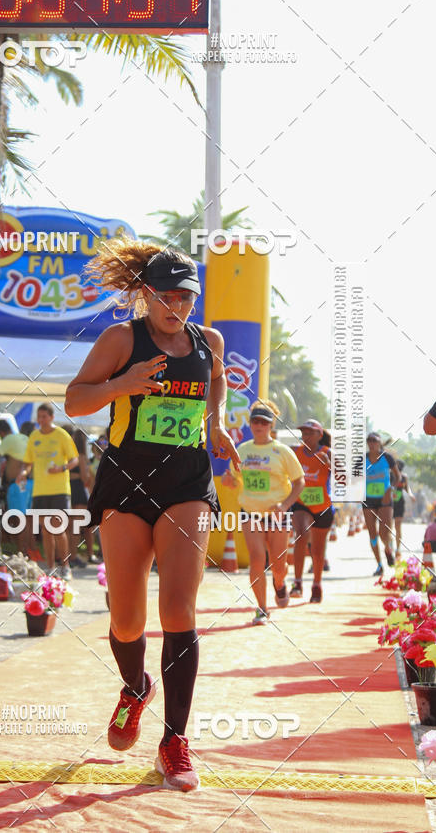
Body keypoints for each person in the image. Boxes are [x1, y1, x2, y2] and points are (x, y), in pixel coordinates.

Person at [65, 241, 240, 792]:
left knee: (179, 607)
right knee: (126, 620)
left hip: (186, 485)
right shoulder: (122, 338)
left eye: (187, 298)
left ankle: (174, 741)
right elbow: (74, 400)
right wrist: (122, 384)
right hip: (126, 485)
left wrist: (216, 425)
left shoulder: (206, 342)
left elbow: (213, 384)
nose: (179, 308)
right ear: (145, 294)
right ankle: (136, 686)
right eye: (168, 297)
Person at [222, 401, 304, 625]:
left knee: (278, 565)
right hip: (251, 512)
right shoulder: (243, 450)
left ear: (271, 424)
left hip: (278, 514)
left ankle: (279, 583)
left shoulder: (282, 451)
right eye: (255, 421)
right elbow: (235, 478)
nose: (259, 425)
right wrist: (229, 480)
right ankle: (261, 608)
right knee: (257, 558)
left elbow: (299, 482)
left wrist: (284, 506)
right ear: (250, 424)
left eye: (264, 422)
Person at [23, 404, 78, 580]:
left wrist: (61, 468)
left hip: (59, 490)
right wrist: (23, 474)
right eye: (39, 417)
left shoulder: (62, 435)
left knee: (58, 528)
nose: (41, 420)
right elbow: (28, 463)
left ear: (52, 417)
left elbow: (74, 460)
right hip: (40, 491)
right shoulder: (34, 436)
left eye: (44, 416)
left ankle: (66, 566)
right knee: (46, 531)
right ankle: (50, 567)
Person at [289, 420, 334, 603]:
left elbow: (346, 480)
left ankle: (316, 584)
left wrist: (330, 464)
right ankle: (298, 582)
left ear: (319, 435)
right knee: (301, 534)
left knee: (317, 549)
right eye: (303, 432)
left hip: (323, 506)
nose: (305, 436)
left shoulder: (328, 453)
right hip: (301, 503)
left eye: (309, 433)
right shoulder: (295, 452)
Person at [363, 432, 400, 576]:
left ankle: (388, 548)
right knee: (372, 533)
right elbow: (354, 478)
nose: (371, 443)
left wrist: (392, 488)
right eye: (369, 441)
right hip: (368, 499)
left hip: (385, 498)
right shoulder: (362, 459)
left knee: (384, 532)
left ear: (379, 443)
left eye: (374, 441)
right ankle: (379, 565)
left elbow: (398, 476)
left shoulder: (387, 458)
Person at [63, 426, 97, 567]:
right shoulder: (81, 456)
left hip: (68, 489)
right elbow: (84, 477)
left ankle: (69, 556)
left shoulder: (67, 455)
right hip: (80, 491)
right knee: (81, 525)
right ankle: (75, 556)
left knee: (71, 526)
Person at [393, 459, 413, 561]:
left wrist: (411, 495)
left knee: (398, 525)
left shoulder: (404, 477)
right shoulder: (390, 475)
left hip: (399, 502)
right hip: (389, 503)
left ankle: (397, 549)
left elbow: (407, 488)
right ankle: (390, 546)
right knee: (387, 525)